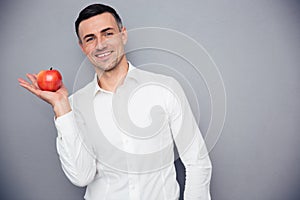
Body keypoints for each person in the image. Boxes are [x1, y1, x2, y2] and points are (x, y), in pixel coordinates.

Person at [18, 3, 212, 200]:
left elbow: (197, 162)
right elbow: (81, 176)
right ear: (83, 47)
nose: (100, 44)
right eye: (90, 38)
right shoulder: (74, 105)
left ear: (123, 35)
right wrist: (61, 108)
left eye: (108, 33)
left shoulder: (165, 88)